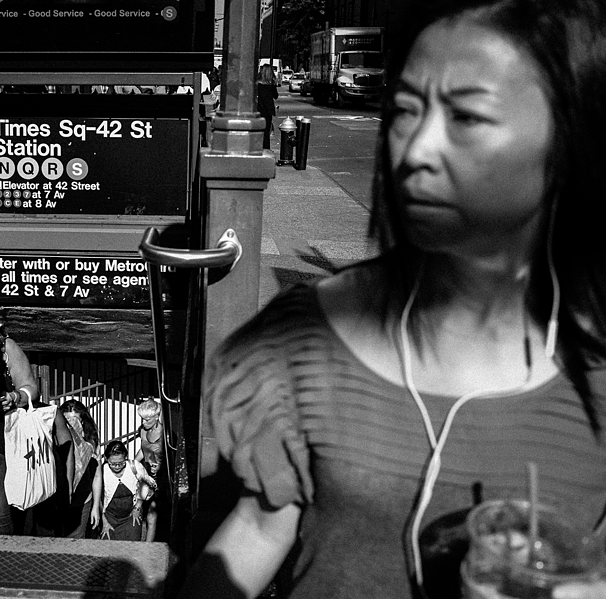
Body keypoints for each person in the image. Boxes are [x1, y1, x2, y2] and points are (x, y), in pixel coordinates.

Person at [179, 0, 606, 598]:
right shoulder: (304, 340)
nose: (416, 149)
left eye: (467, 116)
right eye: (405, 110)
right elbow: (260, 526)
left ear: (572, 138)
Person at [0, 337, 75, 537]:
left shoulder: (45, 414)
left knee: (36, 519)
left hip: (23, 457)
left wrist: (68, 486)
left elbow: (67, 443)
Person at [59, 399, 103, 538]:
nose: (72, 425)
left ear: (83, 421)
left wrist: (95, 507)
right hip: (59, 501)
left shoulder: (91, 442)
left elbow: (97, 475)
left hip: (82, 501)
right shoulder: (56, 439)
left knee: (76, 541)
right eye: (67, 421)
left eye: (76, 420)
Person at [99, 440, 155, 541]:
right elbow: (98, 497)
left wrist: (138, 507)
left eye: (120, 463)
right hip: (110, 517)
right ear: (107, 459)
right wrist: (104, 522)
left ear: (125, 458)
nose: (117, 467)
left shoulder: (135, 466)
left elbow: (146, 483)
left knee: (132, 545)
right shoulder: (102, 471)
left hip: (131, 515)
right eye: (113, 464)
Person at [134, 398, 165, 542]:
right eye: (142, 419)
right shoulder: (142, 430)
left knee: (152, 515)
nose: (143, 422)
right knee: (141, 509)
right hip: (145, 474)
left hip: (160, 476)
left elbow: (172, 457)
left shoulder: (165, 434)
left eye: (147, 419)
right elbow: (143, 449)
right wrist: (133, 462)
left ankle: (149, 547)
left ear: (157, 417)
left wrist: (160, 466)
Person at [256, 63, 278, 150]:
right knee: (266, 132)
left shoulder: (257, 85)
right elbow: (275, 96)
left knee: (258, 130)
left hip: (259, 109)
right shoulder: (271, 85)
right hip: (268, 110)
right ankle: (266, 148)